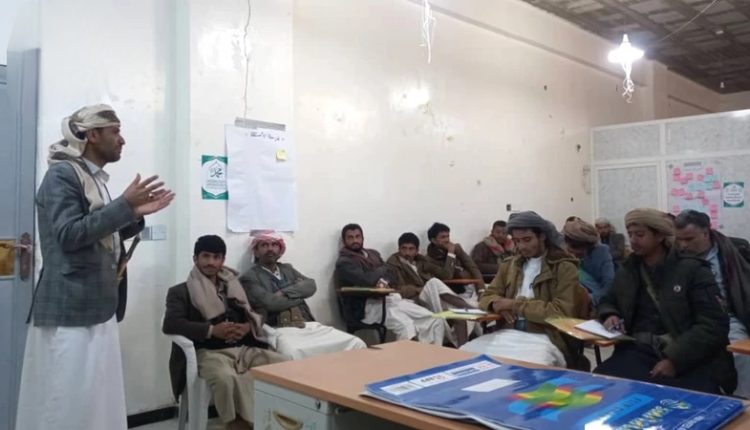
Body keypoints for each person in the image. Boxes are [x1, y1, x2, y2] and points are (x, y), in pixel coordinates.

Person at [16, 105, 174, 430]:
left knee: (95, 402)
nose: (122, 139)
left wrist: (133, 213)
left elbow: (100, 233)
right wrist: (124, 206)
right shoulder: (62, 175)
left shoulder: (91, 178)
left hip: (96, 308)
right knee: (66, 404)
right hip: (70, 310)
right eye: (115, 131)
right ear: (92, 135)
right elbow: (69, 235)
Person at [595, 209, 736, 395]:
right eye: (630, 234)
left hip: (688, 355)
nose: (633, 240)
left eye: (640, 235)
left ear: (660, 235)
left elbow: (713, 325)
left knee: (677, 397)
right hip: (638, 351)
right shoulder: (628, 270)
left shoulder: (693, 270)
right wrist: (610, 314)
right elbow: (607, 300)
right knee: (601, 385)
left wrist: (674, 360)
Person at [163, 236, 287, 430]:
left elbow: (261, 309)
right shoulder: (181, 292)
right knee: (225, 378)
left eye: (216, 257)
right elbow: (171, 324)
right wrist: (212, 331)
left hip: (243, 348)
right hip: (208, 352)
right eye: (205, 256)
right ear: (195, 258)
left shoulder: (234, 285)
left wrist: (247, 327)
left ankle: (271, 420)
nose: (211, 262)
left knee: (284, 365)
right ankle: (235, 424)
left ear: (223, 260)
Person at [460, 211, 585, 368]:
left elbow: (561, 312)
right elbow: (487, 295)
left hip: (545, 337)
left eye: (527, 240)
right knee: (463, 356)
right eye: (517, 241)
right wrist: (496, 304)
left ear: (542, 236)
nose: (521, 246)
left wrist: (514, 305)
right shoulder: (510, 265)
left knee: (525, 368)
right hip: (507, 332)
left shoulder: (564, 267)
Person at [240, 232, 366, 359]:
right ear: (256, 252)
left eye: (274, 245)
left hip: (307, 324)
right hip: (277, 328)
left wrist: (283, 292)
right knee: (292, 353)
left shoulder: (287, 269)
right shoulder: (249, 277)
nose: (270, 249)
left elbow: (311, 286)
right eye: (264, 245)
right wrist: (300, 294)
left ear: (280, 250)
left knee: (356, 343)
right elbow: (270, 304)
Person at [675, 210, 750, 398]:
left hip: (727, 317)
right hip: (689, 318)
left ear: (705, 233)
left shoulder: (733, 251)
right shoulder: (674, 257)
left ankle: (742, 402)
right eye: (679, 239)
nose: (683, 245)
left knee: (740, 354)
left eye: (689, 239)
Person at [335, 224, 448, 344]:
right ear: (344, 241)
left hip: (389, 300)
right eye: (350, 237)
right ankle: (407, 356)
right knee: (406, 326)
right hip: (365, 307)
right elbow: (367, 280)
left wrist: (383, 280)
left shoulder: (373, 254)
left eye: (357, 236)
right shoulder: (344, 262)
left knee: (434, 319)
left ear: (363, 238)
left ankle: (432, 353)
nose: (355, 240)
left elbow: (392, 275)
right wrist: (382, 270)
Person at [387, 232, 479, 345]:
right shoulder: (393, 264)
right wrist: (417, 289)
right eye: (404, 248)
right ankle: (467, 307)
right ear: (398, 249)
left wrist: (451, 254)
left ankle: (463, 350)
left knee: (459, 316)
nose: (407, 252)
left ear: (417, 251)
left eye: (411, 249)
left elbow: (446, 275)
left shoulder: (421, 261)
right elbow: (395, 289)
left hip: (432, 298)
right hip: (413, 301)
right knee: (433, 282)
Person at [426, 222, 484, 301]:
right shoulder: (429, 259)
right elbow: (447, 276)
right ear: (433, 240)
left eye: (448, 236)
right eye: (443, 237)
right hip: (453, 292)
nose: (447, 240)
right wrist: (451, 254)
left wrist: (481, 290)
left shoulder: (457, 248)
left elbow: (473, 268)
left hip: (472, 286)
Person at [563, 219, 615, 306]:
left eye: (578, 247)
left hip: (597, 302)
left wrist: (590, 298)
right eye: (571, 247)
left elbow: (609, 285)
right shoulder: (562, 255)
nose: (574, 252)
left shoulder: (602, 251)